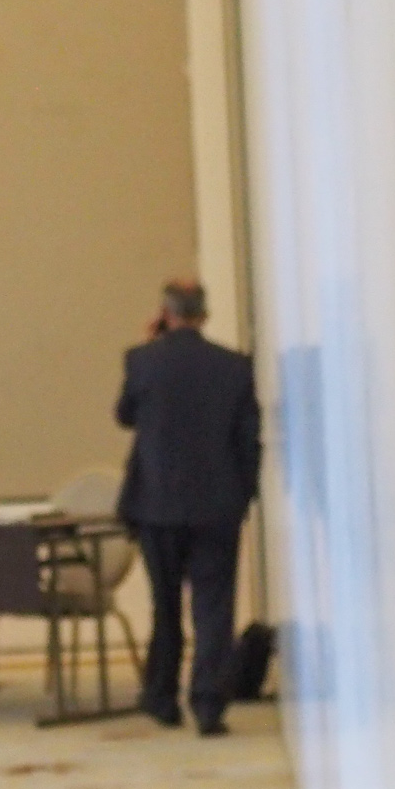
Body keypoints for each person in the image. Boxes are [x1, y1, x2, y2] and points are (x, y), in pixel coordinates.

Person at [115, 278, 262, 736]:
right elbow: (248, 443)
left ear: (166, 312)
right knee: (214, 608)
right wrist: (243, 497)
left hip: (158, 506)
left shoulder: (143, 362)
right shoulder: (235, 367)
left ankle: (162, 697)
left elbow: (124, 416)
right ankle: (209, 705)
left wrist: (149, 343)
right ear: (205, 313)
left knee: (165, 606)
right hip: (217, 506)